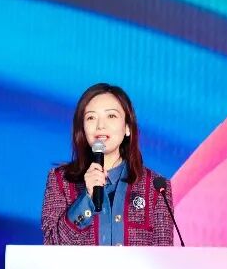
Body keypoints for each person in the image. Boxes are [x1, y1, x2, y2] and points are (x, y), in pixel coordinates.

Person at [41, 83, 174, 246]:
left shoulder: (156, 186)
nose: (100, 126)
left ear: (127, 127)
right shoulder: (60, 181)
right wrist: (87, 199)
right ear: (83, 129)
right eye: (91, 117)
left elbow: (164, 255)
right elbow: (52, 246)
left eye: (111, 116)